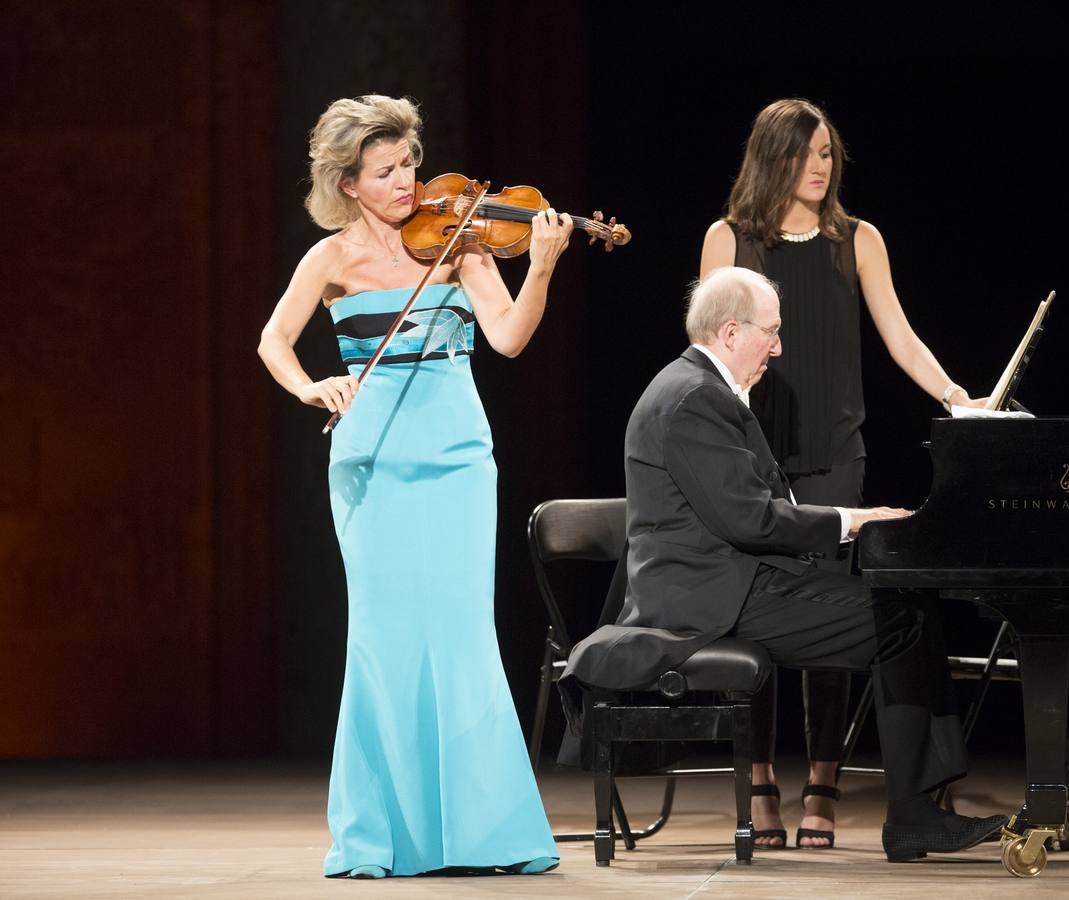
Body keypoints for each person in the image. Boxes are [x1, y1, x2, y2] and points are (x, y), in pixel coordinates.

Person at [563, 267, 1007, 862]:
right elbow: (750, 520)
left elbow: (758, 510)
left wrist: (844, 527)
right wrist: (852, 520)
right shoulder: (695, 398)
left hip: (728, 581)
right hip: (711, 599)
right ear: (729, 332)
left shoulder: (699, 389)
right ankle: (915, 814)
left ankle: (923, 807)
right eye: (769, 332)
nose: (778, 346)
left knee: (904, 603)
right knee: (903, 620)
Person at [258, 95, 569, 878]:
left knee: (462, 636)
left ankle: (485, 833)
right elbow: (272, 340)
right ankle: (382, 834)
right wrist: (311, 387)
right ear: (349, 185)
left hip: (458, 457)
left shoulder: (462, 245)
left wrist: (540, 267)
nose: (408, 183)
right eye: (385, 171)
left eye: (410, 165)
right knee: (385, 641)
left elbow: (507, 338)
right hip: (371, 464)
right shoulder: (329, 260)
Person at [700, 98, 985, 849]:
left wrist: (961, 400)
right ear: (775, 158)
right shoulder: (727, 240)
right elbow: (707, 356)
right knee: (755, 616)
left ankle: (821, 785)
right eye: (810, 153)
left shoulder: (858, 241)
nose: (823, 167)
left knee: (831, 614)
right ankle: (759, 780)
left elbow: (900, 335)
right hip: (749, 457)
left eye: (830, 154)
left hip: (835, 454)